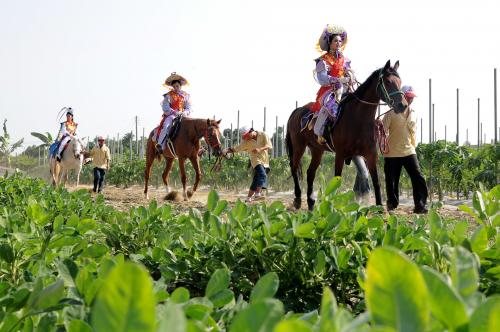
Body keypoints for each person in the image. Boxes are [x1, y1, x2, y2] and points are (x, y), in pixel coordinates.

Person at [382, 85, 428, 214]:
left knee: (418, 176)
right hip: (392, 153)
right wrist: (383, 147)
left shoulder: (413, 114)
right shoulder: (390, 113)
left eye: (412, 97)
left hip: (409, 151)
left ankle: (420, 205)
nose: (410, 100)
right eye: (408, 97)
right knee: (392, 180)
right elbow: (383, 132)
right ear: (401, 96)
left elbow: (413, 134)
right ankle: (392, 204)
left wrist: (414, 147)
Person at [311, 24, 354, 144]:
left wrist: (350, 77)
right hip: (329, 89)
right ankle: (319, 131)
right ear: (330, 42)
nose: (338, 43)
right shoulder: (323, 60)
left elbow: (347, 72)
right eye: (335, 41)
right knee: (329, 104)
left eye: (340, 41)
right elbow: (322, 78)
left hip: (346, 87)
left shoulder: (345, 60)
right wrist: (338, 80)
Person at [225, 127, 272, 203]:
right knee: (263, 175)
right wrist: (226, 150)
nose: (247, 138)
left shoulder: (263, 135)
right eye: (245, 136)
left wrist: (260, 149)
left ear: (252, 131)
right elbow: (237, 148)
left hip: (265, 160)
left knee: (256, 179)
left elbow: (269, 146)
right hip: (255, 160)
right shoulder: (246, 141)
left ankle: (248, 198)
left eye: (247, 135)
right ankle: (257, 193)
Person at [154, 72, 191, 153]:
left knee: (193, 127)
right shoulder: (168, 95)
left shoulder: (186, 95)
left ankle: (195, 148)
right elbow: (165, 107)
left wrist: (185, 112)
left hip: (183, 115)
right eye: (174, 86)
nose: (175, 88)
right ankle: (160, 145)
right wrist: (174, 112)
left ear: (180, 86)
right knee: (166, 125)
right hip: (172, 116)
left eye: (177, 86)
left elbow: (188, 107)